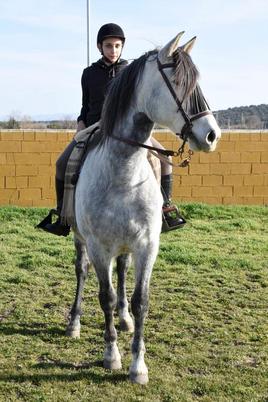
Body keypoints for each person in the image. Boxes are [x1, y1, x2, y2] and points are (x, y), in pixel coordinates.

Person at [37, 23, 185, 236]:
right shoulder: (89, 74)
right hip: (96, 127)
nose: (113, 50)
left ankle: (165, 209)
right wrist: (81, 123)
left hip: (128, 129)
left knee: (162, 157)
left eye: (117, 46)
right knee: (62, 164)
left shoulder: (130, 71)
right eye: (108, 46)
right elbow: (85, 105)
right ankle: (63, 215)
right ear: (100, 47)